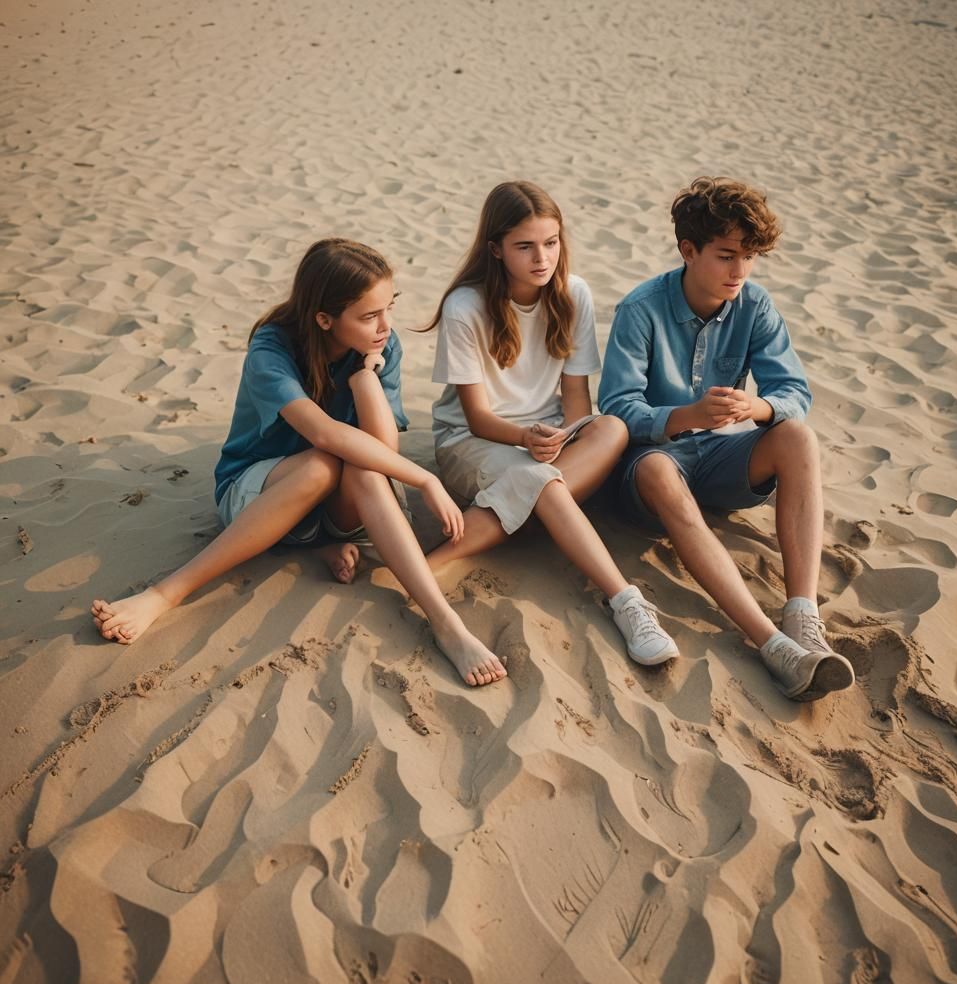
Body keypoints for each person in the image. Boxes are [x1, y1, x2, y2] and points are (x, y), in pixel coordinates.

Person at [92, 238, 506, 687]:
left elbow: (384, 453)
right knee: (323, 463)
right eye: (369, 315)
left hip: (345, 502)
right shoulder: (272, 348)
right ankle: (163, 594)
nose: (386, 324)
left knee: (362, 465)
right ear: (324, 319)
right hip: (260, 491)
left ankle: (447, 625)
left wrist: (365, 377)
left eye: (390, 307)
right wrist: (426, 480)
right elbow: (324, 435)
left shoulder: (382, 344)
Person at [598, 177, 855, 700]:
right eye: (727, 255)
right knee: (654, 467)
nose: (740, 270)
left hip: (718, 461)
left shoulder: (754, 305)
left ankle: (803, 619)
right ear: (688, 250)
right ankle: (774, 646)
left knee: (798, 439)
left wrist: (757, 406)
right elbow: (617, 408)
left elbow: (792, 391)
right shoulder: (640, 309)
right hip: (650, 471)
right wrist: (688, 415)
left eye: (750, 257)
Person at [423, 181, 678, 666]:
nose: (542, 258)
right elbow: (476, 418)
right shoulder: (464, 307)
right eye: (525, 246)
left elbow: (578, 402)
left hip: (547, 440)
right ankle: (626, 602)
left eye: (551, 243)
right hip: (472, 441)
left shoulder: (573, 293)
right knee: (542, 483)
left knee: (613, 429)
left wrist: (567, 433)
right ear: (495, 249)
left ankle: (521, 512)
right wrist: (525, 439)